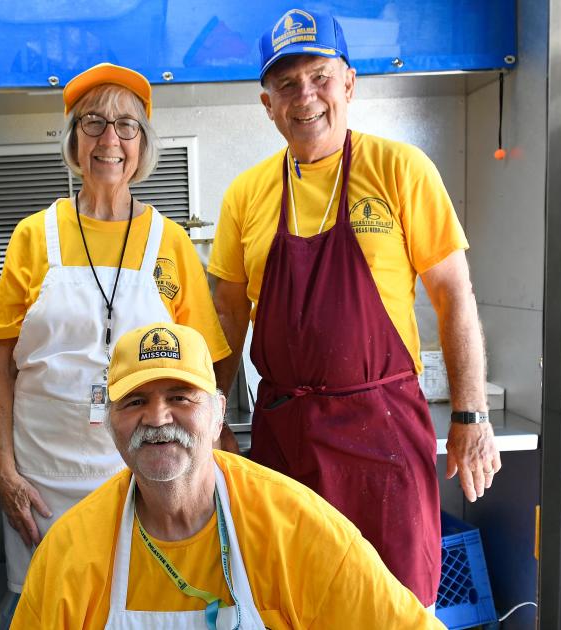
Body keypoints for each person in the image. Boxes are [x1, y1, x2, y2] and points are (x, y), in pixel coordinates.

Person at [208, 8, 502, 608]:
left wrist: (471, 417)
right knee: (289, 601)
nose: (305, 97)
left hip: (384, 433)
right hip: (285, 436)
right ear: (268, 105)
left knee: (394, 605)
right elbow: (227, 318)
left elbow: (454, 294)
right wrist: (211, 420)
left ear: (348, 84)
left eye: (319, 77)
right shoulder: (246, 194)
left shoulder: (400, 170)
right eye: (287, 85)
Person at [0, 62, 230, 604]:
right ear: (74, 139)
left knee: (137, 600)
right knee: (54, 603)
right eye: (93, 122)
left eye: (127, 125)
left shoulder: (169, 242)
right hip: (40, 477)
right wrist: (3, 470)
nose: (109, 138)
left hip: (146, 474)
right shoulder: (34, 236)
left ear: (143, 144)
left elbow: (206, 368)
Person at [12, 322, 444, 629]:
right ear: (110, 423)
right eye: (134, 402)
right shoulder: (71, 551)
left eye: (180, 396)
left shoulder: (296, 527)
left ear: (218, 414)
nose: (157, 417)